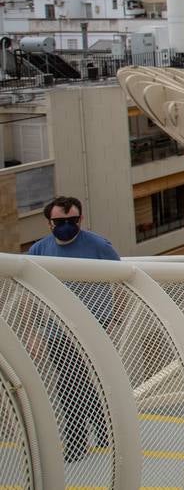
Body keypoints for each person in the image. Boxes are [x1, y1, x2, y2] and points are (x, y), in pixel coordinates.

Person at [27, 195, 120, 462]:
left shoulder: (99, 246)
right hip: (55, 329)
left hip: (94, 326)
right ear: (49, 223)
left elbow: (124, 280)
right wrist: (33, 333)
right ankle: (102, 430)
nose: (66, 225)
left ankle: (79, 442)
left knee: (72, 382)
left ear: (81, 219)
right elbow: (30, 294)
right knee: (76, 380)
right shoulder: (39, 251)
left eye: (72, 220)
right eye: (59, 221)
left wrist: (116, 319)